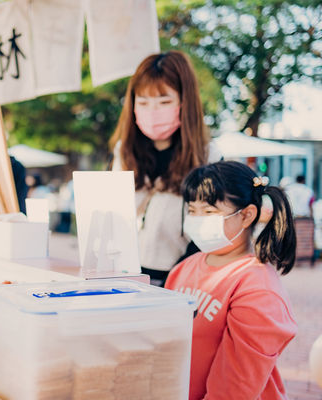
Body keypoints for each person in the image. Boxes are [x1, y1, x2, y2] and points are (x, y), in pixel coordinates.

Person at [165, 161, 297, 400]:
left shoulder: (258, 290)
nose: (196, 219)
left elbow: (233, 389)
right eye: (192, 211)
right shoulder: (184, 268)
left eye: (209, 212)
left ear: (246, 215)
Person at [109, 50, 221, 286]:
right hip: (126, 278)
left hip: (183, 282)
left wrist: (179, 279)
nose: (153, 111)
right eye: (143, 102)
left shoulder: (208, 157)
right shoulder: (123, 153)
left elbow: (209, 231)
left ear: (184, 102)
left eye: (164, 101)